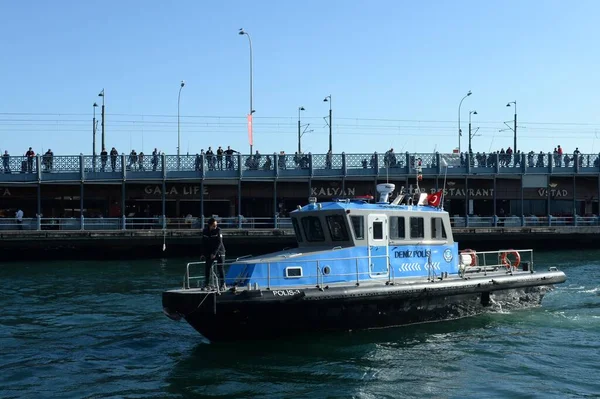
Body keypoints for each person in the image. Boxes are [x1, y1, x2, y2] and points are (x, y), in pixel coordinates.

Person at [202, 217, 226, 290]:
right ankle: (207, 284)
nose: (215, 227)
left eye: (216, 225)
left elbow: (219, 242)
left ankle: (222, 284)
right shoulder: (205, 231)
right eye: (214, 226)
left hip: (220, 251)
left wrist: (214, 253)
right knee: (207, 267)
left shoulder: (218, 230)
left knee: (220, 268)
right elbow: (203, 243)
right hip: (210, 251)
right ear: (209, 225)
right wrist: (203, 253)